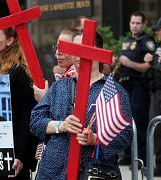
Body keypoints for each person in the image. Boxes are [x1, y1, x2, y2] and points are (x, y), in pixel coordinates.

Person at [30, 33, 133, 179]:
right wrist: (61, 125)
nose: (79, 54)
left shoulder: (114, 91)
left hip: (93, 172)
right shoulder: (59, 86)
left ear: (98, 52)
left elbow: (125, 135)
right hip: (52, 172)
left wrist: (95, 139)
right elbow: (35, 121)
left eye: (84, 48)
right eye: (75, 48)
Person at [0, 23, 38, 179]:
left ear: (9, 40)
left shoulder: (18, 72)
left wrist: (20, 155)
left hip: (13, 155)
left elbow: (26, 116)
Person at [118, 11, 156, 165]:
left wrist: (130, 64)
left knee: (139, 123)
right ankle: (128, 156)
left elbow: (148, 67)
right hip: (125, 85)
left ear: (144, 24)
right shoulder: (126, 40)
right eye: (132, 22)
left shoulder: (147, 41)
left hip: (139, 86)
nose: (134, 26)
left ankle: (142, 158)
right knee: (126, 121)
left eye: (138, 23)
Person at [33, 28, 77, 102]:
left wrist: (44, 98)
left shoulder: (75, 77)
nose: (58, 52)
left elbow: (63, 111)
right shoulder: (66, 75)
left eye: (65, 47)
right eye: (57, 47)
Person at [144, 17, 161, 176]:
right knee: (156, 130)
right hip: (156, 92)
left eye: (159, 29)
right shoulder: (157, 48)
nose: (156, 32)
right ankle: (159, 164)